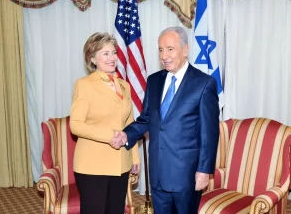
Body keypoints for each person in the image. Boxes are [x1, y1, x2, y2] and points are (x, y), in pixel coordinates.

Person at [111, 26, 219, 214]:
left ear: (185, 50)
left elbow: (209, 133)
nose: (164, 55)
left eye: (170, 49)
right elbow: (146, 119)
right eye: (161, 50)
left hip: (186, 174)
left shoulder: (204, 84)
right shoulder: (154, 81)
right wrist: (126, 135)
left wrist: (204, 171)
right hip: (158, 171)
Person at [70, 32, 140, 214]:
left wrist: (134, 157)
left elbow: (130, 122)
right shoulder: (84, 84)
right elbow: (76, 125)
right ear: (92, 59)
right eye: (105, 53)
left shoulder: (125, 85)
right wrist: (109, 136)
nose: (112, 58)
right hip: (93, 165)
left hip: (121, 163)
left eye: (113, 52)